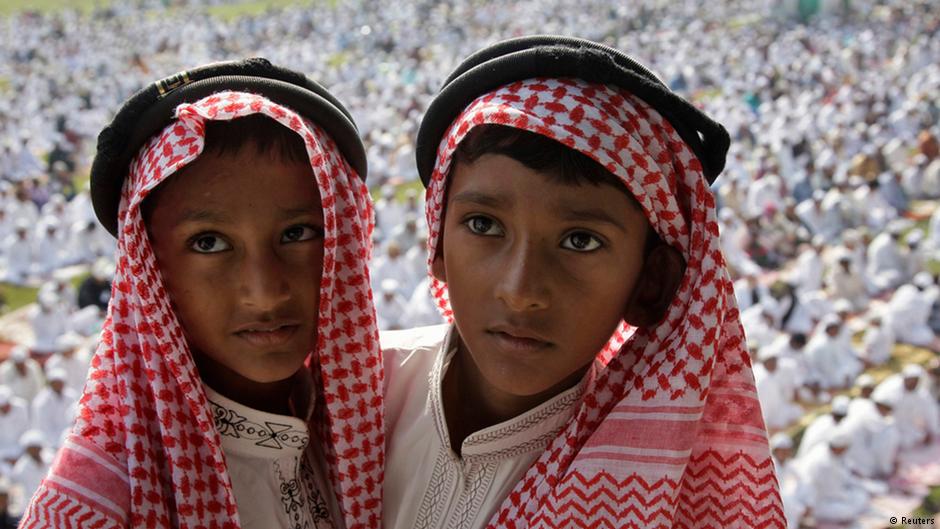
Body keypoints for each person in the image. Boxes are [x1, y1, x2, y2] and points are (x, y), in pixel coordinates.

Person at [383, 37, 783, 529]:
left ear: (651, 283)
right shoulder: (348, 396)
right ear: (437, 245)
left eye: (580, 241)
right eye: (484, 225)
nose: (520, 290)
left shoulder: (663, 500)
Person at [20, 59, 383, 529]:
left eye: (298, 233)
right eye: (208, 243)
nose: (264, 293)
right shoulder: (99, 504)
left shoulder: (372, 423)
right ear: (150, 267)